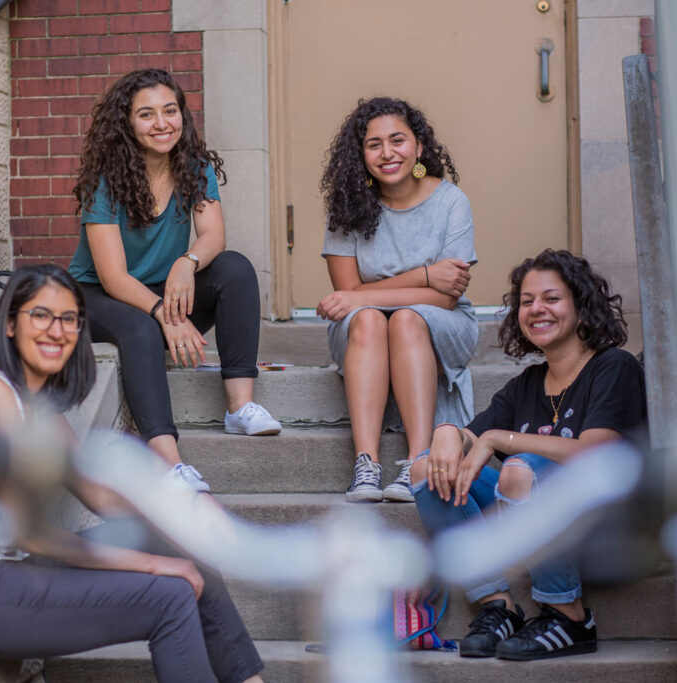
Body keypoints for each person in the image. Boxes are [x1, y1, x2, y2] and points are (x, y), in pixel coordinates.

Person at [0, 265, 265, 682]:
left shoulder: (38, 408)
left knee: (182, 552)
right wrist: (148, 565)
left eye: (69, 318)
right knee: (170, 595)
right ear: (8, 325)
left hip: (11, 571)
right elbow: (28, 533)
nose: (56, 330)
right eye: (40, 315)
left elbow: (102, 497)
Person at [412, 249, 646, 661]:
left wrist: (503, 440)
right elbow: (470, 438)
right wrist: (447, 432)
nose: (537, 309)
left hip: (607, 522)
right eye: (526, 301)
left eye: (551, 299)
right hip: (542, 512)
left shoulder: (614, 367)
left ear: (580, 305)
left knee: (518, 471)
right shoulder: (527, 384)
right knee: (425, 467)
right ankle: (497, 605)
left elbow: (596, 453)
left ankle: (568, 616)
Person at [69, 68, 280, 492]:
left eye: (170, 110)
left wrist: (186, 263)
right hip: (98, 297)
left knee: (235, 269)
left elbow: (213, 235)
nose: (162, 123)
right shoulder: (106, 180)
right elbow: (112, 278)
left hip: (167, 293)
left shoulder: (193, 166)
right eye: (146, 114)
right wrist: (164, 312)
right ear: (126, 122)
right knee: (141, 327)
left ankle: (240, 406)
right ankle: (167, 463)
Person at [317, 97, 479, 503]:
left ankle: (418, 461)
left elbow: (444, 300)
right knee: (371, 319)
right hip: (361, 332)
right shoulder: (347, 207)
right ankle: (366, 465)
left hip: (443, 324)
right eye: (374, 144)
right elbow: (347, 298)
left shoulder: (451, 202)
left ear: (419, 146)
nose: (387, 153)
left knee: (406, 318)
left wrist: (365, 297)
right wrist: (425, 276)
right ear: (361, 154)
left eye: (398, 140)